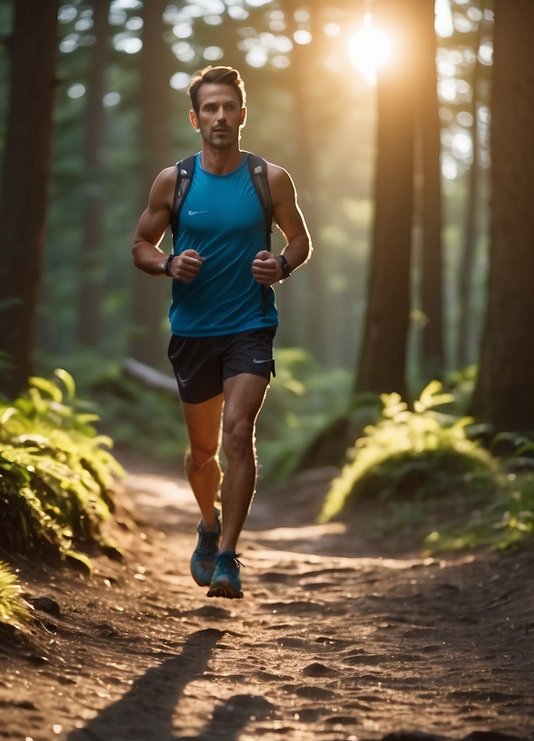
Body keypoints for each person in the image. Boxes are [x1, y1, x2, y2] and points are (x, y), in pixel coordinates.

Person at [130, 65, 312, 600]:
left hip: (250, 325)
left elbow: (300, 239)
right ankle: (207, 524)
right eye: (210, 108)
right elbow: (140, 244)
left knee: (238, 433)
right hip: (193, 330)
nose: (221, 116)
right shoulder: (175, 180)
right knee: (203, 450)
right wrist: (167, 265)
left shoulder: (269, 178)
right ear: (195, 118)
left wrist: (282, 265)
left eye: (229, 107)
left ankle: (229, 555)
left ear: (243, 115)